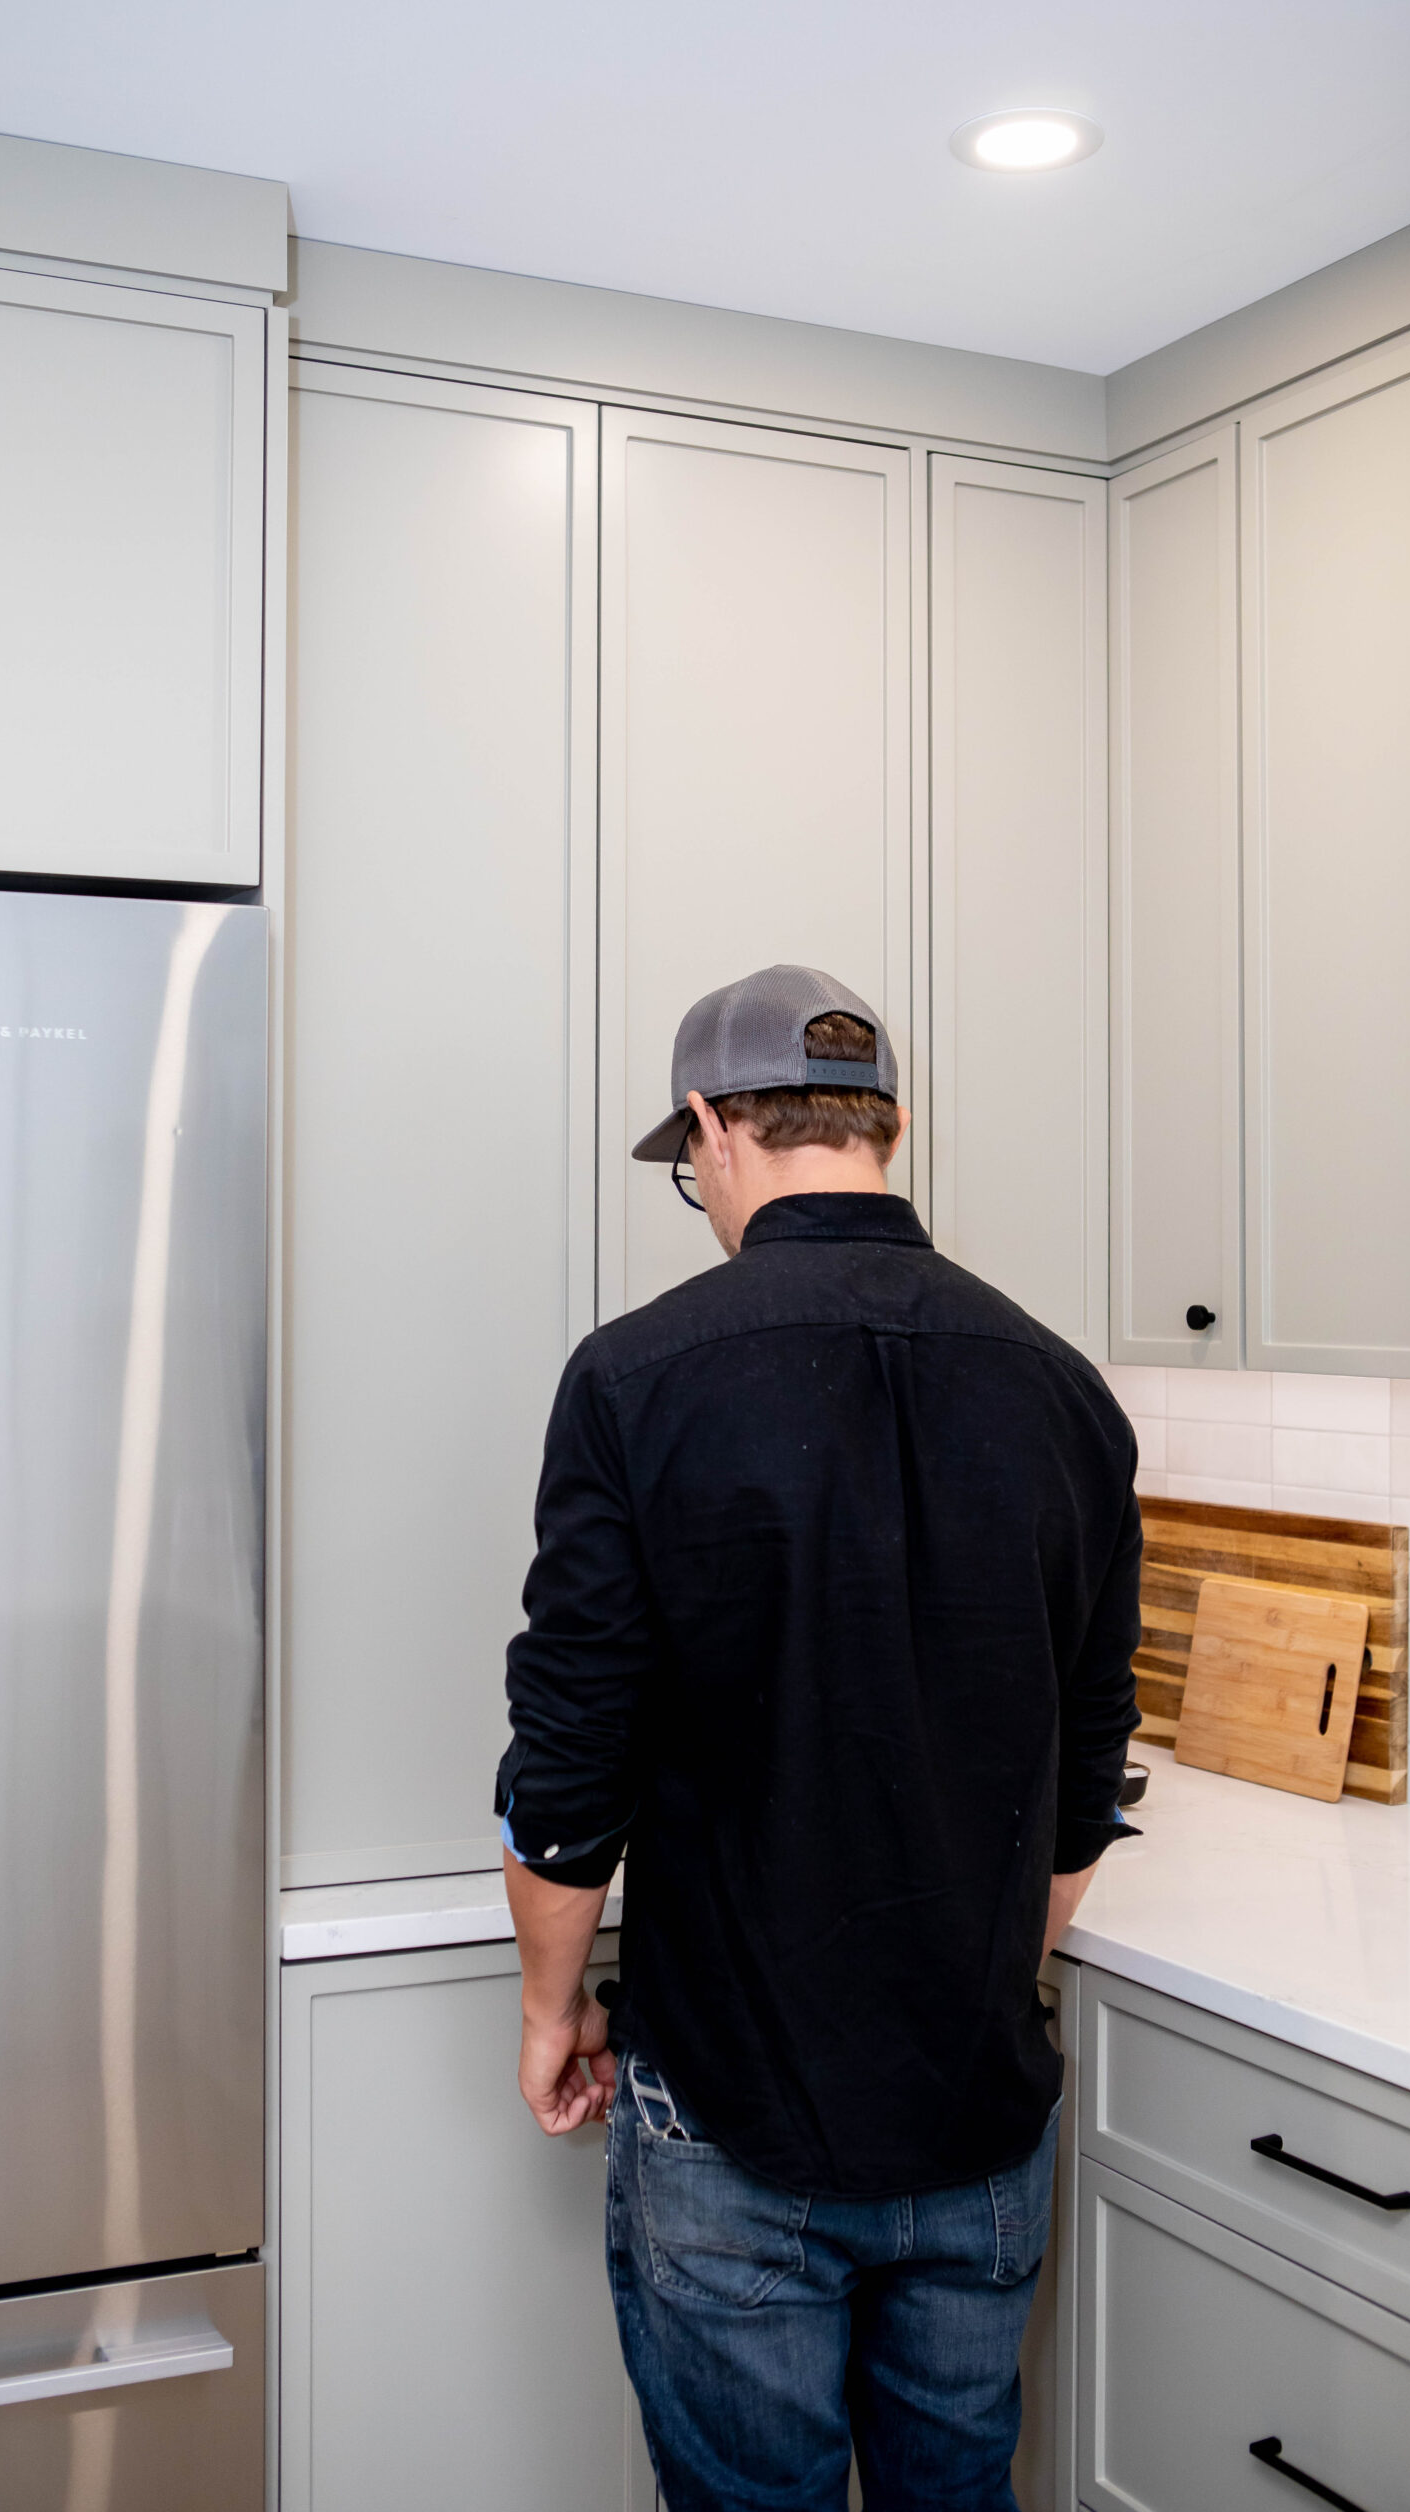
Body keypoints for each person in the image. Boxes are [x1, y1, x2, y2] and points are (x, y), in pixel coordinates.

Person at [494, 964, 1142, 2512]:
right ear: (890, 1130)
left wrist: (546, 2010)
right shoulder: (1068, 1394)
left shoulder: (633, 1379)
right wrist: (975, 1983)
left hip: (732, 2110)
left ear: (710, 1127)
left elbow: (569, 1771)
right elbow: (1084, 1784)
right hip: (977, 2111)